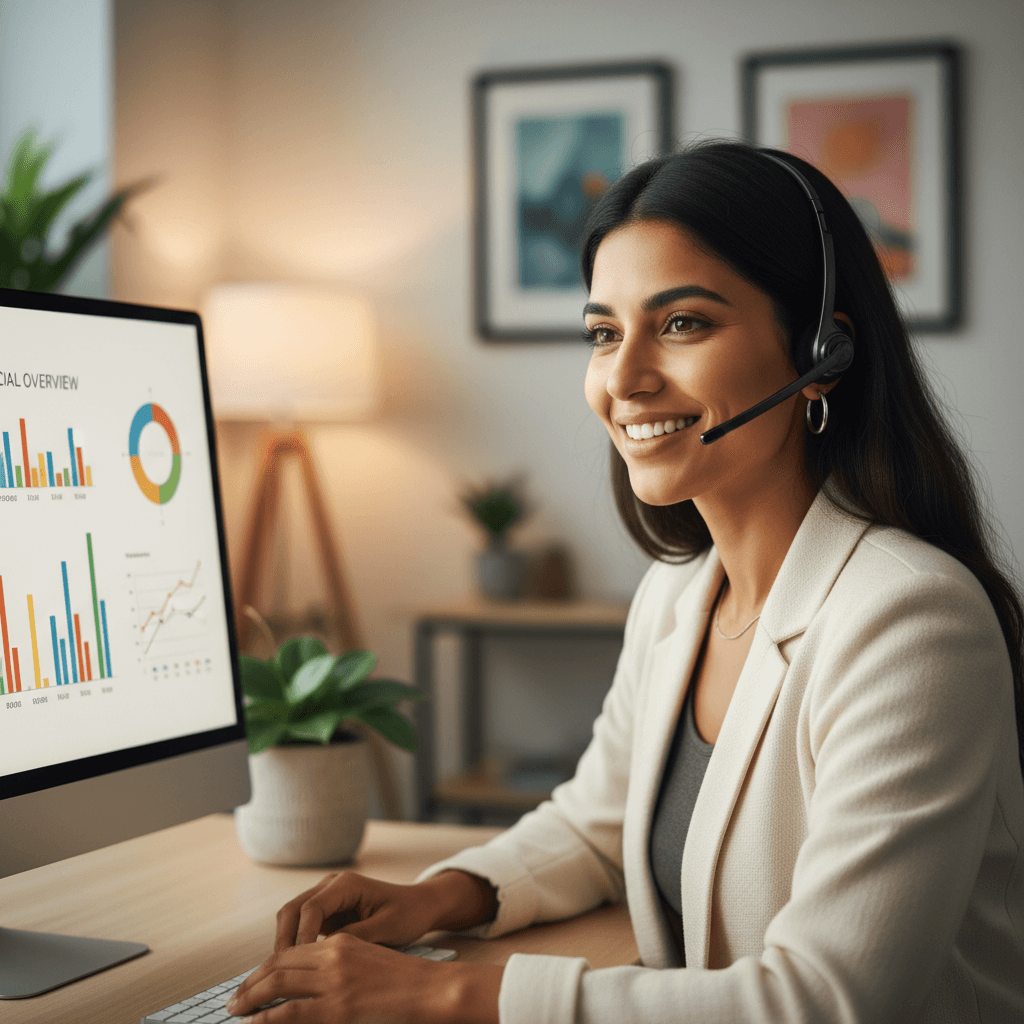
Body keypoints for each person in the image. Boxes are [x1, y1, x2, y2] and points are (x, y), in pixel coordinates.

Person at [226, 141, 1024, 1023]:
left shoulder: (911, 621)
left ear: (820, 352)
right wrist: (440, 896)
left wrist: (450, 991)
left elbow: (828, 999)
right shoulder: (680, 594)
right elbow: (600, 825)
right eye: (604, 333)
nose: (625, 378)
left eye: (682, 323)